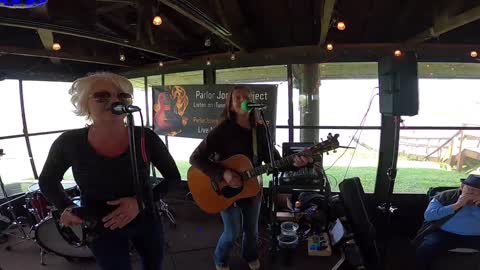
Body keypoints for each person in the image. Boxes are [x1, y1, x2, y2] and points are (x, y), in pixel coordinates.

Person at [38, 72, 181, 270]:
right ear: (84, 104)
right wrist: (66, 206)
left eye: (122, 96)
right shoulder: (69, 142)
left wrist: (139, 203)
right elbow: (47, 181)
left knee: (154, 264)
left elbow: (173, 178)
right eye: (102, 96)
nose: (114, 100)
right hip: (99, 225)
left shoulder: (144, 137)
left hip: (146, 217)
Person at [189, 85, 310, 270]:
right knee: (232, 232)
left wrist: (296, 163)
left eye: (246, 96)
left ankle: (250, 255)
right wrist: (224, 173)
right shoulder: (221, 131)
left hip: (252, 188)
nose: (242, 99)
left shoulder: (260, 131)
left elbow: (274, 161)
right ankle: (220, 259)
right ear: (230, 105)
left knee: (252, 231)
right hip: (224, 189)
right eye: (237, 97)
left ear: (253, 102)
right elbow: (195, 158)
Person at [415, 174, 480, 270]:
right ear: (462, 187)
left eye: (477, 192)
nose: (472, 194)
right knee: (426, 248)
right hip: (444, 233)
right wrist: (457, 205)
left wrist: (477, 208)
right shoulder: (445, 196)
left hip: (476, 236)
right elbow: (429, 216)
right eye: (470, 190)